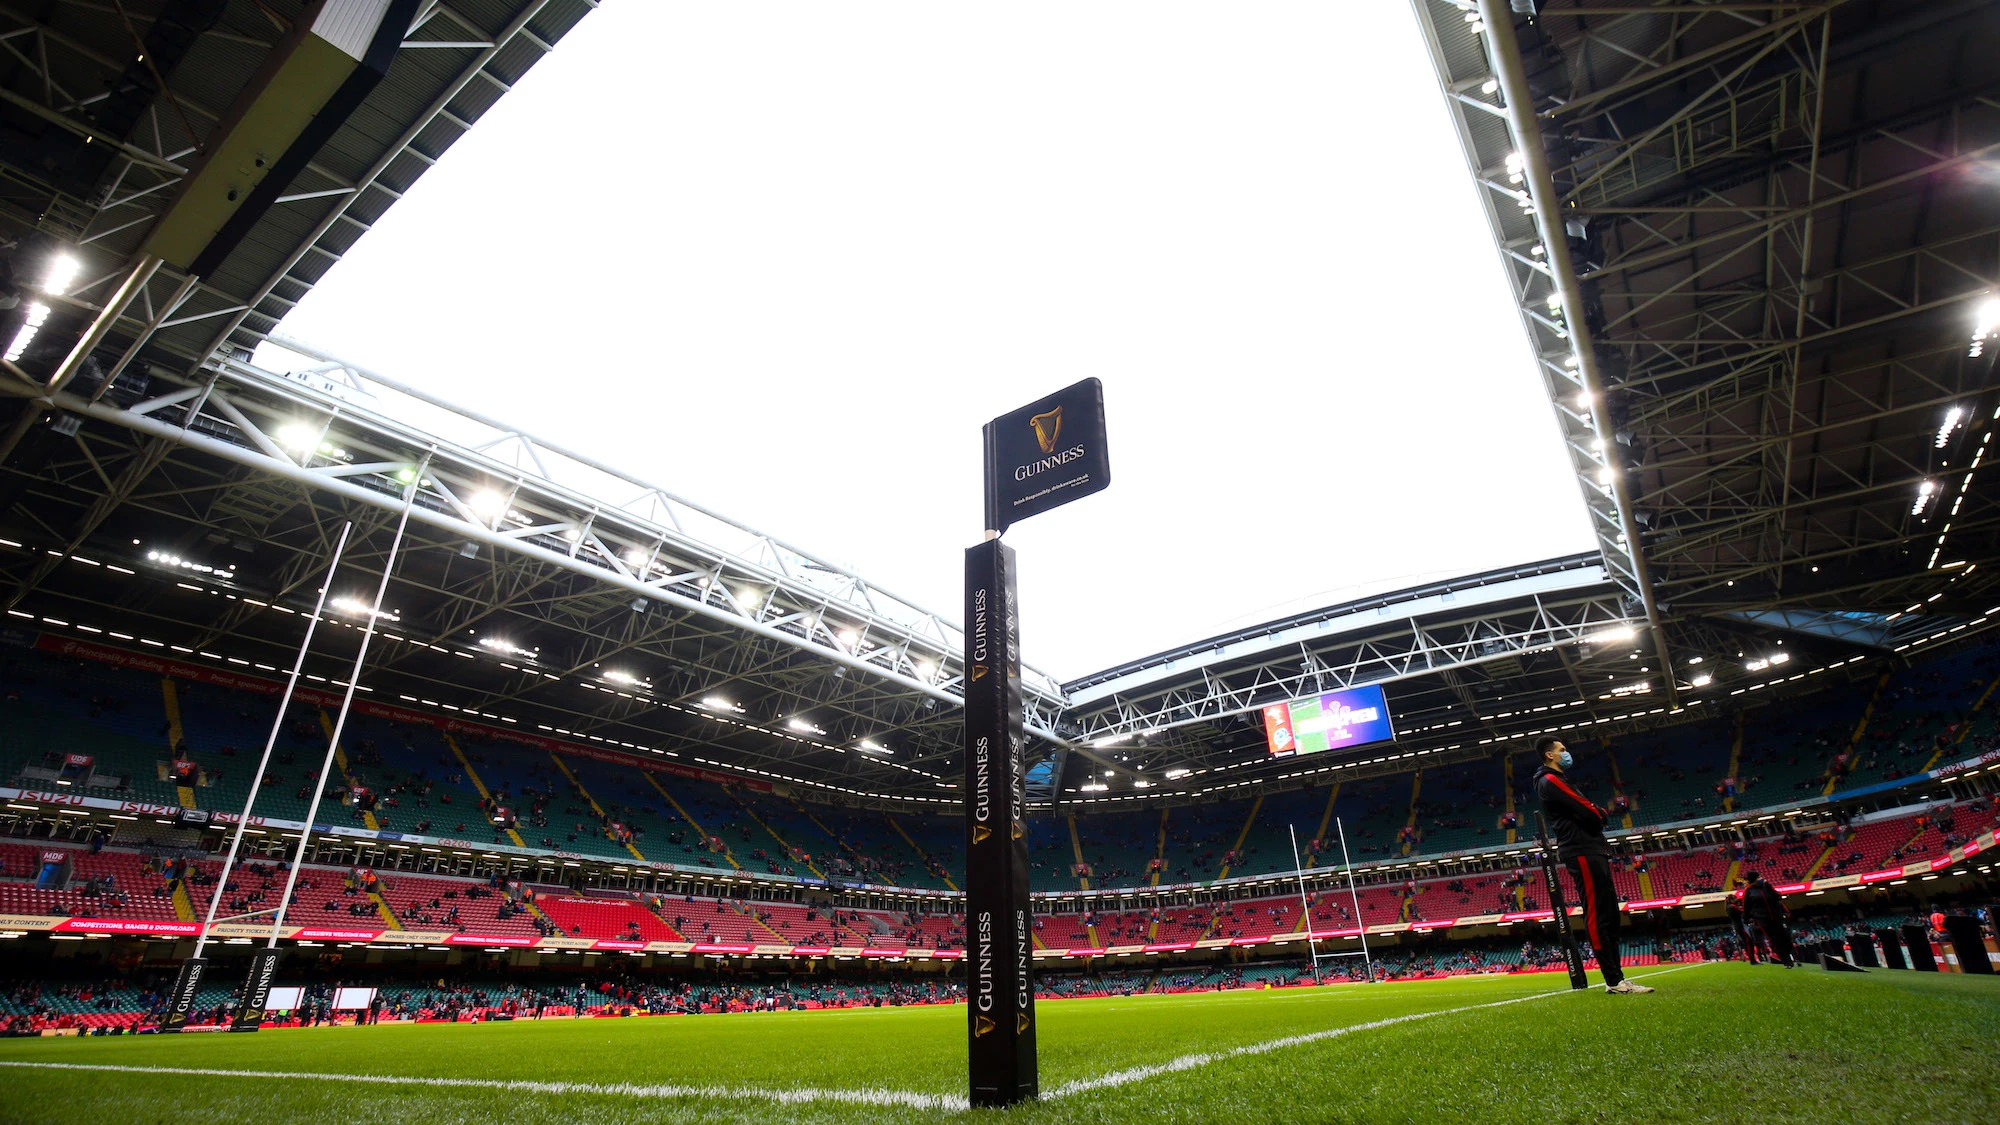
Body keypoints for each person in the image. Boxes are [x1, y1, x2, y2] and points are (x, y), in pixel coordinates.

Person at [1532, 737, 1653, 994]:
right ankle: (1612, 980)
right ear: (1549, 755)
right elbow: (1591, 812)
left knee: (1608, 912)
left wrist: (1594, 814)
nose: (1567, 753)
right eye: (1562, 750)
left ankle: (1617, 978)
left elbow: (1586, 811)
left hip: (1591, 848)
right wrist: (1599, 813)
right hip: (1580, 849)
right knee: (1598, 912)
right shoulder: (1549, 780)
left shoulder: (1560, 780)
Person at [1739, 871, 1794, 967]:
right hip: (1762, 919)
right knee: (1775, 939)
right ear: (1755, 879)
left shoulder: (1766, 887)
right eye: (1759, 877)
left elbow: (1777, 897)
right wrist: (1746, 918)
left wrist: (1768, 886)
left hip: (1776, 916)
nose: (1761, 878)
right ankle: (1786, 960)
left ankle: (1788, 953)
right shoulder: (1748, 891)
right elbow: (1746, 906)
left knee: (1785, 937)